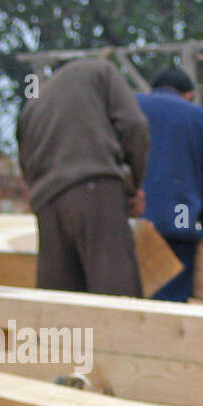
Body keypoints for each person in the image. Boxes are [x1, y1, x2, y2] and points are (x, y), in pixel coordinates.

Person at [17, 57, 149, 296]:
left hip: (47, 205)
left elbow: (25, 165)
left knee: (60, 308)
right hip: (95, 191)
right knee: (117, 298)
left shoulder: (34, 102)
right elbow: (134, 125)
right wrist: (134, 186)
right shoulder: (100, 70)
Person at [135, 67, 203, 302]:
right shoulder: (202, 119)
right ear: (189, 95)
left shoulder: (131, 106)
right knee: (168, 312)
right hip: (177, 226)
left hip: (129, 225)